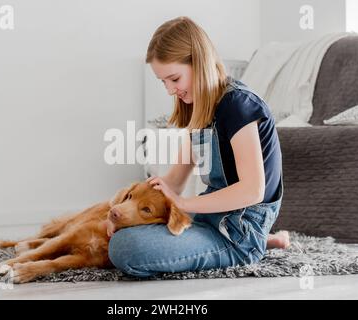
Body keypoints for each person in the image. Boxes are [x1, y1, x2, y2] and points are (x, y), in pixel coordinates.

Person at [108, 16, 290, 278]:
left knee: (126, 248)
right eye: (163, 82)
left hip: (237, 233)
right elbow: (174, 181)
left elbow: (253, 190)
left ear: (199, 63)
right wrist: (120, 213)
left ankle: (256, 245)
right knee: (125, 233)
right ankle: (266, 242)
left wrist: (184, 203)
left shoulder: (237, 106)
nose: (170, 90)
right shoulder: (202, 109)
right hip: (209, 219)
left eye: (174, 79)